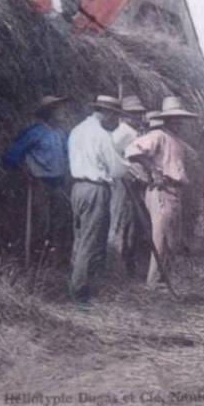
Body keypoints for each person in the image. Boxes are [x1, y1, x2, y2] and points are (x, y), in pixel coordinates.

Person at [125, 95, 197, 289]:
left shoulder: (176, 140)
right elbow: (132, 150)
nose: (179, 122)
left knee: (171, 238)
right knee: (161, 236)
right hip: (162, 190)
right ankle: (153, 281)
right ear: (168, 119)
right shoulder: (158, 136)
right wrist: (153, 170)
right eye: (175, 118)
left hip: (175, 191)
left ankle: (164, 278)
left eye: (180, 118)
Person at [66, 95, 129, 304]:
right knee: (91, 240)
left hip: (77, 187)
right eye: (114, 116)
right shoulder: (102, 135)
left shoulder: (76, 131)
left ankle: (77, 283)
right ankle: (80, 293)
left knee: (80, 236)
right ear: (107, 113)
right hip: (95, 189)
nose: (114, 121)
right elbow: (117, 167)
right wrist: (126, 163)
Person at [2, 95, 71, 260]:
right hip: (39, 183)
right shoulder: (35, 133)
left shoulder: (61, 134)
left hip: (58, 183)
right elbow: (11, 155)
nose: (63, 112)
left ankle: (50, 259)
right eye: (59, 110)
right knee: (40, 222)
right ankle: (31, 259)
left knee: (58, 221)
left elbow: (66, 154)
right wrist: (25, 172)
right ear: (49, 113)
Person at [108, 95, 152, 277]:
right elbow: (112, 157)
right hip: (124, 184)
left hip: (133, 185)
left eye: (139, 113)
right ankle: (115, 266)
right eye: (133, 114)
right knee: (121, 221)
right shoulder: (123, 133)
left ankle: (127, 264)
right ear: (124, 115)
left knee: (132, 224)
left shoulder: (133, 133)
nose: (137, 117)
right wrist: (129, 172)